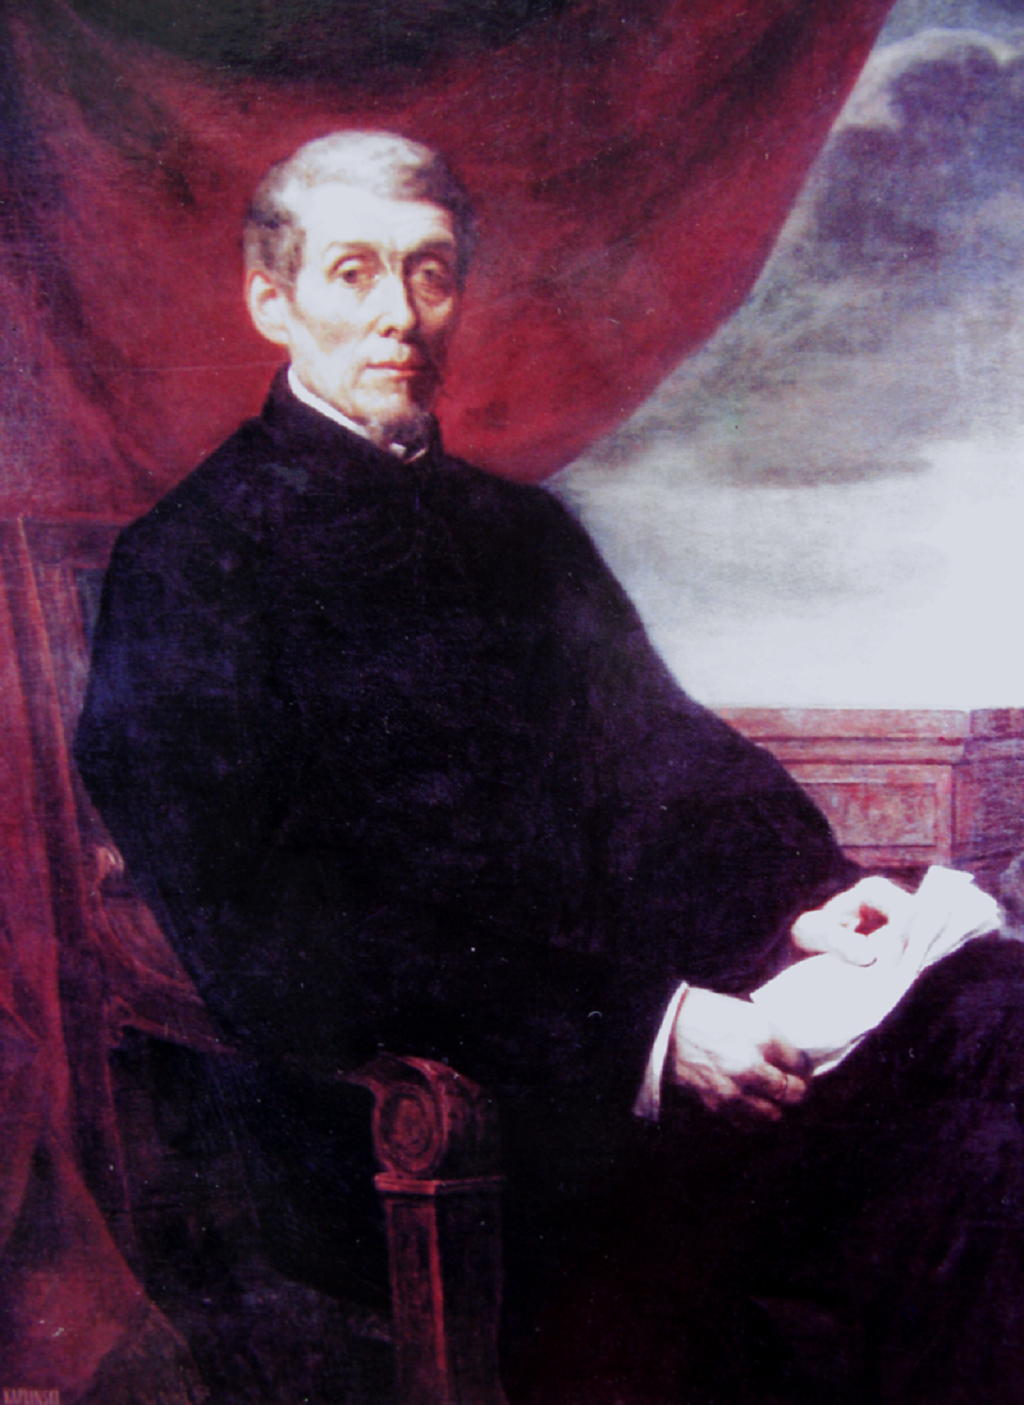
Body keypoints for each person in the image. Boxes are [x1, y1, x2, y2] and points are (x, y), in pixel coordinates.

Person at [74, 131, 1024, 1402]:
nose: (399, 313)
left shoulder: (521, 536)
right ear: (271, 301)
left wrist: (805, 897)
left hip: (677, 1057)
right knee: (962, 1173)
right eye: (354, 272)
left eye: (429, 271)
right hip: (434, 1130)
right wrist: (645, 1031)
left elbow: (676, 766)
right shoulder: (185, 567)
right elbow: (275, 938)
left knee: (994, 1019)